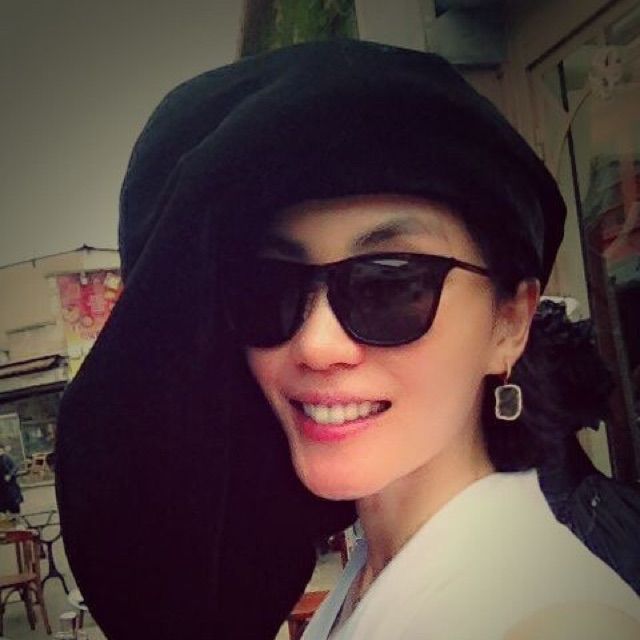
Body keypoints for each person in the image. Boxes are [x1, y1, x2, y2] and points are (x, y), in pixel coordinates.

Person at [55, 39, 640, 640]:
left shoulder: (555, 619)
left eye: (390, 284)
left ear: (509, 324)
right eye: (269, 287)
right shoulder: (382, 569)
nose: (316, 343)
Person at [0, 443, 24, 514]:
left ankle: (16, 516)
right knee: (3, 504)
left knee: (13, 502)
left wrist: (10, 475)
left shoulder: (7, 457)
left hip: (10, 484)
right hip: (1, 485)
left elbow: (15, 467)